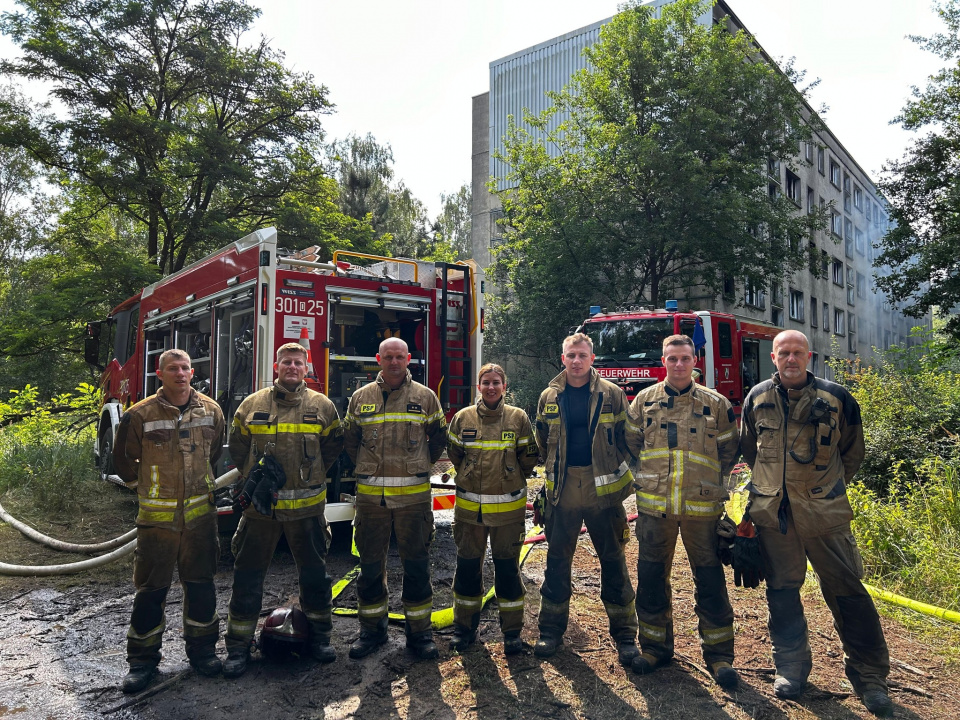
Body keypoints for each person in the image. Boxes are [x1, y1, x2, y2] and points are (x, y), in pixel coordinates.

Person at [740, 330, 892, 717]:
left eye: (797, 353)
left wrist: (823, 490)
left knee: (848, 593)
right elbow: (750, 451)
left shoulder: (836, 397)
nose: (791, 359)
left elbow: (851, 453)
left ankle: (870, 678)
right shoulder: (756, 397)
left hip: (826, 517)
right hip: (776, 518)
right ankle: (791, 668)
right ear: (773, 357)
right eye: (783, 353)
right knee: (782, 592)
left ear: (809, 356)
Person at [223, 342, 344, 677]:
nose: (292, 367)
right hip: (261, 512)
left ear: (307, 368)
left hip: (306, 511)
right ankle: (237, 646)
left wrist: (312, 476)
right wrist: (256, 480)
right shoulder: (251, 405)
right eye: (286, 362)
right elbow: (239, 449)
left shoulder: (323, 406)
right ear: (276, 366)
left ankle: (320, 639)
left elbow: (333, 447)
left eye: (298, 362)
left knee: (315, 576)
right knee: (247, 576)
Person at [627, 335, 740, 688]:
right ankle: (654, 648)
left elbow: (729, 454)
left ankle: (720, 657)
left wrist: (709, 487)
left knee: (709, 582)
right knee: (650, 579)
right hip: (654, 508)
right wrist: (646, 479)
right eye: (672, 358)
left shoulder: (717, 405)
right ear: (663, 360)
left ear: (696, 361)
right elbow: (630, 445)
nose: (678, 364)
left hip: (701, 510)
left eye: (685, 358)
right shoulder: (644, 401)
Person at [113, 349, 226, 693]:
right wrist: (147, 488)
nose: (180, 374)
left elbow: (215, 453)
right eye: (172, 369)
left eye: (185, 368)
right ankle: (142, 662)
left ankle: (203, 652)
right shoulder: (139, 414)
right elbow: (123, 461)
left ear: (193, 372)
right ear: (159, 374)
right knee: (151, 591)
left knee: (202, 586)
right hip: (157, 524)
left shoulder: (212, 411)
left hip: (200, 521)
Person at [533, 333, 639, 664]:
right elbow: (541, 443)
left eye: (582, 355)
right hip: (563, 492)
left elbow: (629, 440)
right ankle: (550, 632)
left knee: (614, 562)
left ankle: (625, 636)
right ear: (562, 359)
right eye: (570, 355)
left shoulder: (612, 394)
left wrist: (620, 474)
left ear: (592, 358)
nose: (576, 360)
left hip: (603, 494)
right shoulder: (548, 396)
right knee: (557, 562)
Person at [343, 337, 447, 660]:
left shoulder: (426, 397)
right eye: (387, 357)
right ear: (378, 359)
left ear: (409, 360)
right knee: (371, 566)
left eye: (399, 357)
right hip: (372, 503)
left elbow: (439, 438)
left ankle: (420, 634)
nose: (393, 362)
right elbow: (350, 441)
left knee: (416, 566)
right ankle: (372, 631)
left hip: (413, 502)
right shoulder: (360, 398)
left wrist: (418, 466)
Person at [446, 363, 538, 654]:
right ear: (478, 386)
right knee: (468, 569)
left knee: (508, 571)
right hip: (469, 513)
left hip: (508, 513)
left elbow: (528, 457)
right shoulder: (462, 418)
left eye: (496, 382)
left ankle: (511, 633)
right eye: (486, 382)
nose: (491, 387)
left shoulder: (518, 418)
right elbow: (455, 454)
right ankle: (464, 630)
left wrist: (509, 478)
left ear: (504, 386)